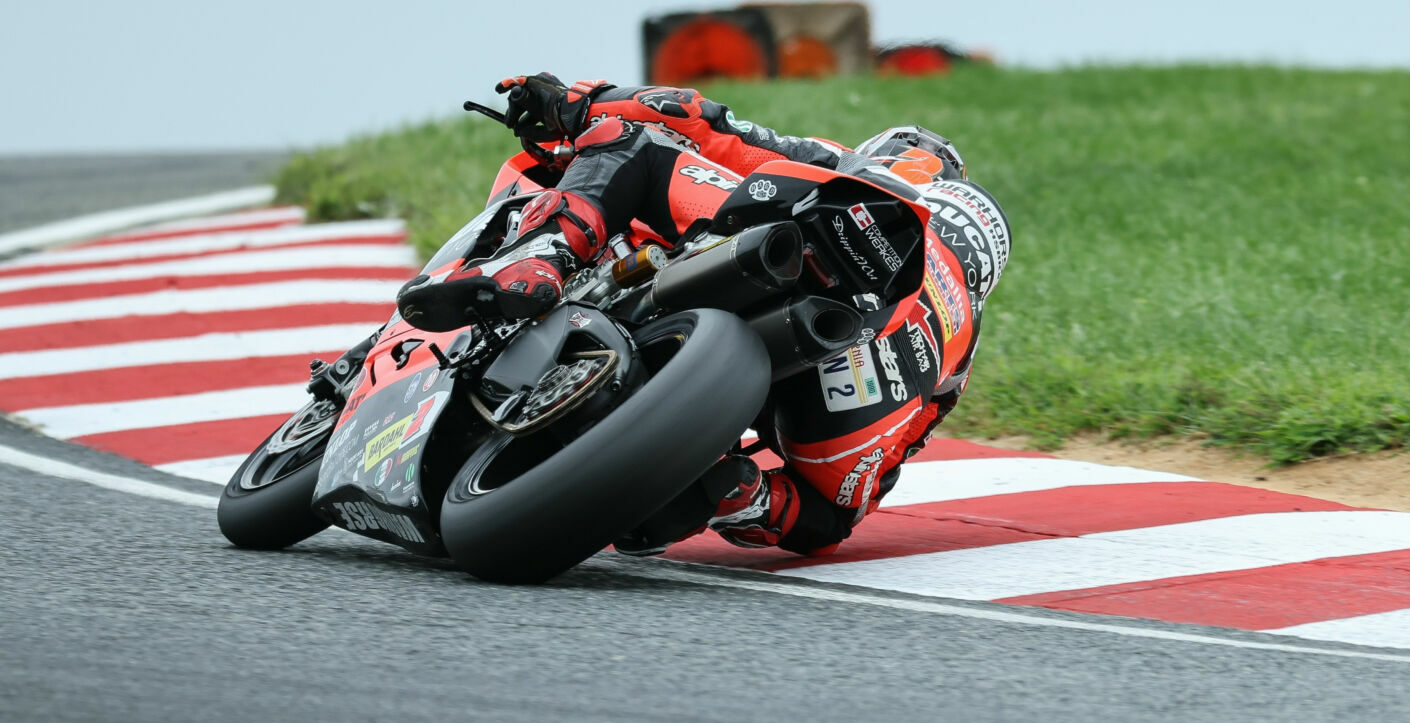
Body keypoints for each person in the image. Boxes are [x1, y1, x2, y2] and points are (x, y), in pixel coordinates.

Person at [362, 73, 1011, 557]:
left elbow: (699, 120)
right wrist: (775, 506)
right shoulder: (963, 347)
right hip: (851, 405)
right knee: (826, 514)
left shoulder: (845, 168)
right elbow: (852, 505)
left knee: (634, 147)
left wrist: (576, 104)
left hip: (779, 265)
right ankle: (733, 491)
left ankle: (545, 261)